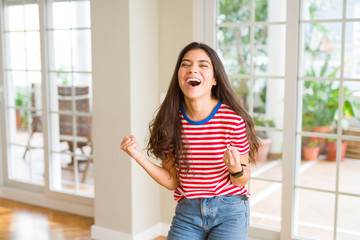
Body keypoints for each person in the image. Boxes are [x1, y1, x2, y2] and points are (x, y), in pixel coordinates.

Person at [121, 42, 259, 240]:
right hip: (188, 211)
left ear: (214, 79)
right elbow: (172, 181)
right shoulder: (170, 121)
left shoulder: (232, 120)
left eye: (203, 65)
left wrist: (235, 167)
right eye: (186, 64)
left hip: (230, 210)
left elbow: (241, 179)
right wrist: (137, 156)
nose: (192, 68)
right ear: (179, 76)